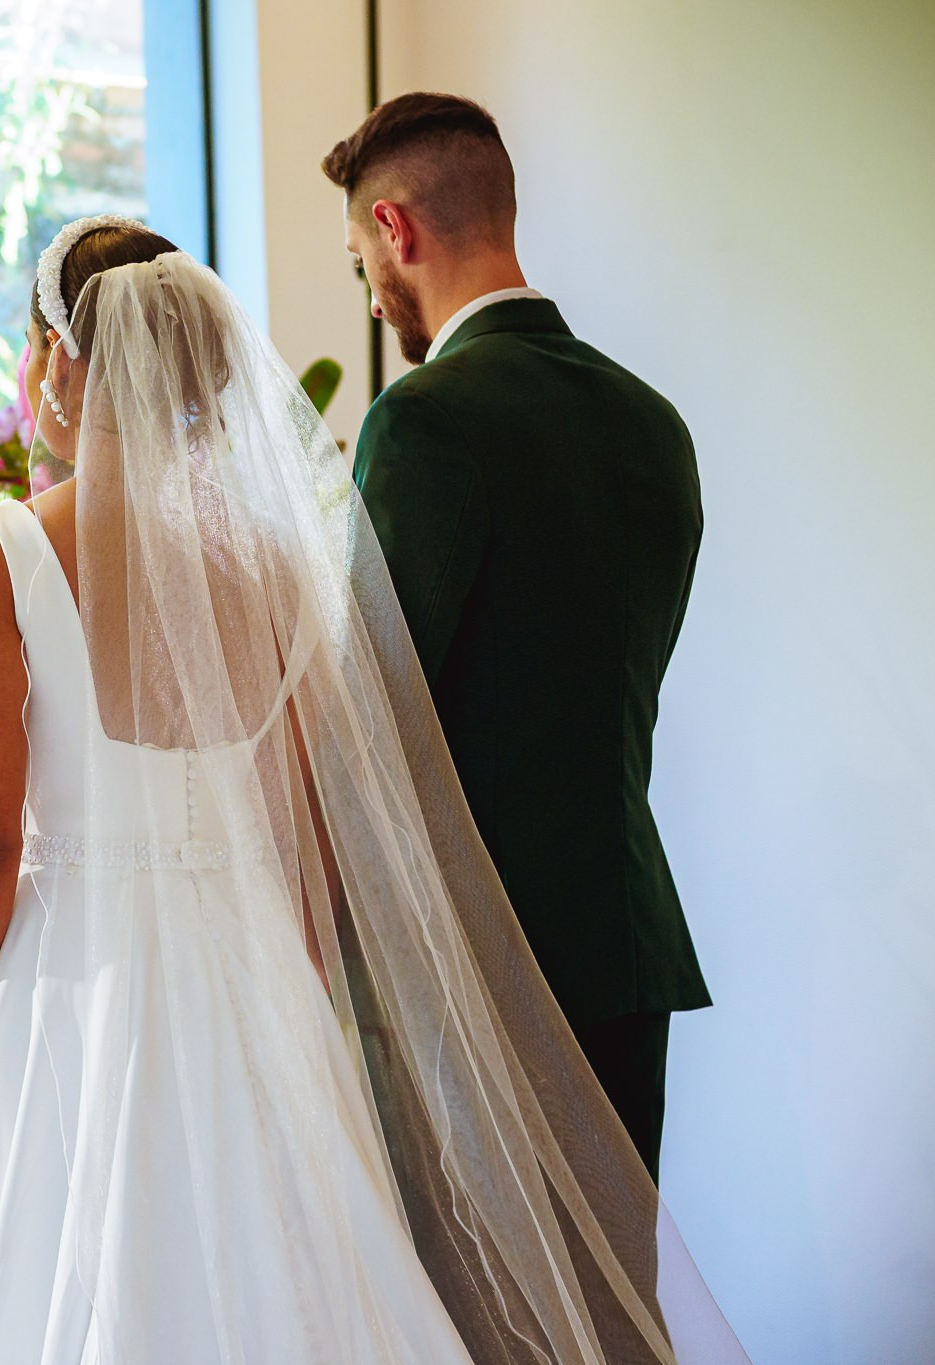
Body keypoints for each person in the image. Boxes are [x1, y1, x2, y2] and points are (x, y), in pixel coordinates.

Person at [0, 218, 744, 1362]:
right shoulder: (268, 565)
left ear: (57, 362)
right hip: (253, 977)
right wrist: (298, 1011)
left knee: (94, 1282)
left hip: (77, 985)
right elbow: (295, 825)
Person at [323, 93, 710, 1179]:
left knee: (477, 1325)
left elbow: (368, 700)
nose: (369, 290)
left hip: (471, 959)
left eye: (359, 258)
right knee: (610, 1314)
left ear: (392, 229)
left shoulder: (424, 417)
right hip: (622, 948)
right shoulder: (650, 419)